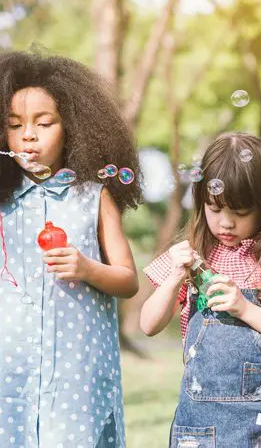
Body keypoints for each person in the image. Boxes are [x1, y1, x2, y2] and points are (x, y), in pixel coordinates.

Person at [141, 132, 261, 448]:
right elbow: (148, 324)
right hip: (201, 423)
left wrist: (245, 308)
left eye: (240, 212)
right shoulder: (192, 256)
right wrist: (174, 278)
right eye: (215, 210)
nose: (225, 223)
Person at [0, 49, 142, 448]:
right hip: (10, 366)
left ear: (73, 128)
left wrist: (87, 268)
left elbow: (128, 280)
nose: (28, 134)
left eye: (44, 123)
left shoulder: (94, 196)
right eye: (14, 125)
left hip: (76, 372)